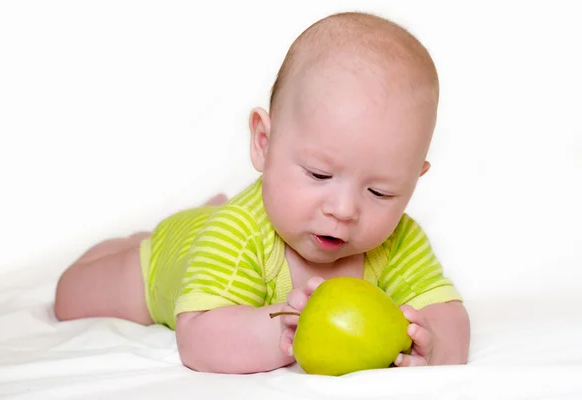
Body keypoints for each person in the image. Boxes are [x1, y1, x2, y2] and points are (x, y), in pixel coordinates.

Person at [54, 11, 470, 374]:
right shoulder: (240, 235)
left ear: (415, 180)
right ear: (264, 143)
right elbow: (198, 337)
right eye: (319, 174)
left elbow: (449, 315)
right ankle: (144, 240)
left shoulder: (397, 242)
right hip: (169, 258)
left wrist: (430, 342)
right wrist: (280, 332)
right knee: (70, 297)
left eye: (379, 192)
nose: (344, 210)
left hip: (211, 237)